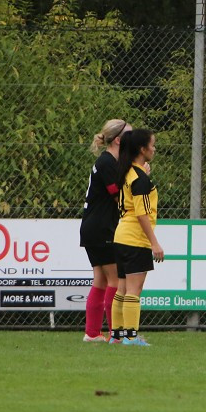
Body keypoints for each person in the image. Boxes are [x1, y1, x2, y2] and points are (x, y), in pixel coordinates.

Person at [79, 119, 131, 343]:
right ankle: (115, 335)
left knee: (100, 280)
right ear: (118, 140)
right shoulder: (107, 161)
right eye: (130, 135)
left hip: (93, 227)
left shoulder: (112, 161)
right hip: (101, 228)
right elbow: (117, 193)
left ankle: (92, 334)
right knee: (116, 281)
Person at [110, 129, 163, 346]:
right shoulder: (139, 179)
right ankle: (131, 337)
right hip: (134, 238)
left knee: (122, 288)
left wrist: (144, 174)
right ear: (142, 149)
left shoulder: (129, 173)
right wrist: (154, 242)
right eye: (152, 145)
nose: (154, 149)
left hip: (121, 236)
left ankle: (117, 335)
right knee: (134, 289)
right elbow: (142, 213)